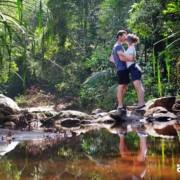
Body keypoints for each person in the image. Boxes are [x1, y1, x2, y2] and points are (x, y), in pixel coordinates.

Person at [109, 30, 133, 112]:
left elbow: (111, 58)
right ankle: (119, 105)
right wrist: (131, 59)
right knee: (121, 86)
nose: (126, 37)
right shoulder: (118, 46)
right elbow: (122, 58)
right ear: (119, 36)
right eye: (124, 35)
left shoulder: (117, 46)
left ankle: (120, 103)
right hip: (122, 69)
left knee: (125, 87)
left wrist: (118, 63)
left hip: (122, 68)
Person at [124, 33, 145, 109]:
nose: (125, 41)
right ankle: (140, 103)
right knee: (138, 87)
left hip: (134, 68)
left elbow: (132, 59)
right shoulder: (129, 48)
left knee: (138, 87)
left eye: (126, 39)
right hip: (132, 69)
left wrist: (123, 58)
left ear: (128, 40)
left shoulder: (131, 47)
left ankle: (141, 103)